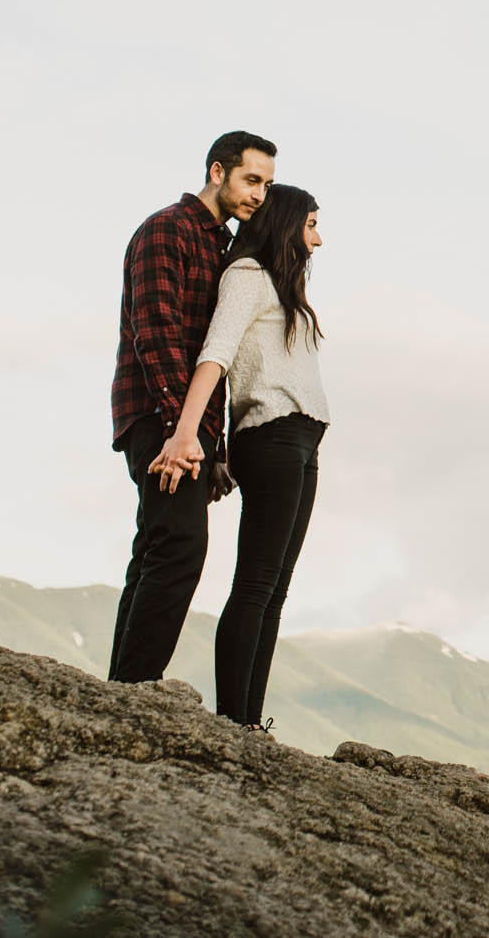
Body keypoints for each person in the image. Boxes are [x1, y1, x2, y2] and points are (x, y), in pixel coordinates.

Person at [153, 183, 329, 729]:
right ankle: (233, 722)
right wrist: (188, 435)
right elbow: (216, 355)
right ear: (286, 225)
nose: (319, 240)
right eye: (310, 225)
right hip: (271, 436)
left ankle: (250, 720)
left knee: (275, 588)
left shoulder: (281, 283)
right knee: (255, 585)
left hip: (301, 440)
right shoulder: (246, 278)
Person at [108, 130, 278, 683]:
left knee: (157, 549)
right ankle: (134, 691)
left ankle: (121, 689)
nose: (259, 195)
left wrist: (214, 445)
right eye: (251, 180)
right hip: (157, 417)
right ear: (216, 172)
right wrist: (178, 433)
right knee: (180, 547)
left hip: (185, 427)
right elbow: (155, 335)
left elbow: (215, 356)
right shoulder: (167, 229)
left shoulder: (224, 249)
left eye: (267, 185)